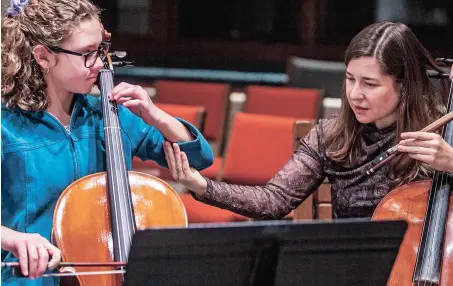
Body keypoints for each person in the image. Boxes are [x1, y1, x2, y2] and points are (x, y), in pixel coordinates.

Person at [1, 0, 213, 284]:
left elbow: (199, 159)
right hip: (30, 278)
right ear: (43, 56)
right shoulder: (7, 127)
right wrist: (13, 238)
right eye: (86, 54)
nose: (100, 64)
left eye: (100, 50)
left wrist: (155, 115)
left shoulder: (111, 116)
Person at [164, 21, 452, 220]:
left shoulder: (442, 135)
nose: (355, 94)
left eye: (370, 84)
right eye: (350, 79)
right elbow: (273, 200)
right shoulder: (331, 135)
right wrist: (200, 184)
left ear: (404, 86)